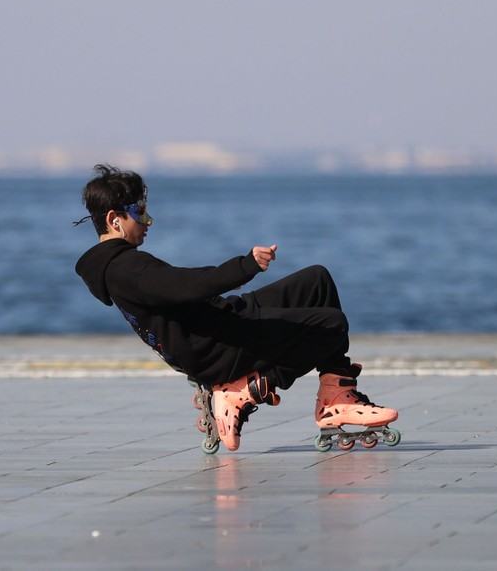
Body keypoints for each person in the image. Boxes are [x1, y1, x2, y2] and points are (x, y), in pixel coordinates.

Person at [74, 164, 398, 451]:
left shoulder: (122, 265)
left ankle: (336, 397)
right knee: (330, 324)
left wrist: (237, 276)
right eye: (140, 211)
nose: (148, 220)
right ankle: (241, 391)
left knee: (317, 280)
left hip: (217, 322)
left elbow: (180, 286)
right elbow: (186, 287)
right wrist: (245, 266)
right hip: (213, 348)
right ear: (114, 219)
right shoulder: (125, 268)